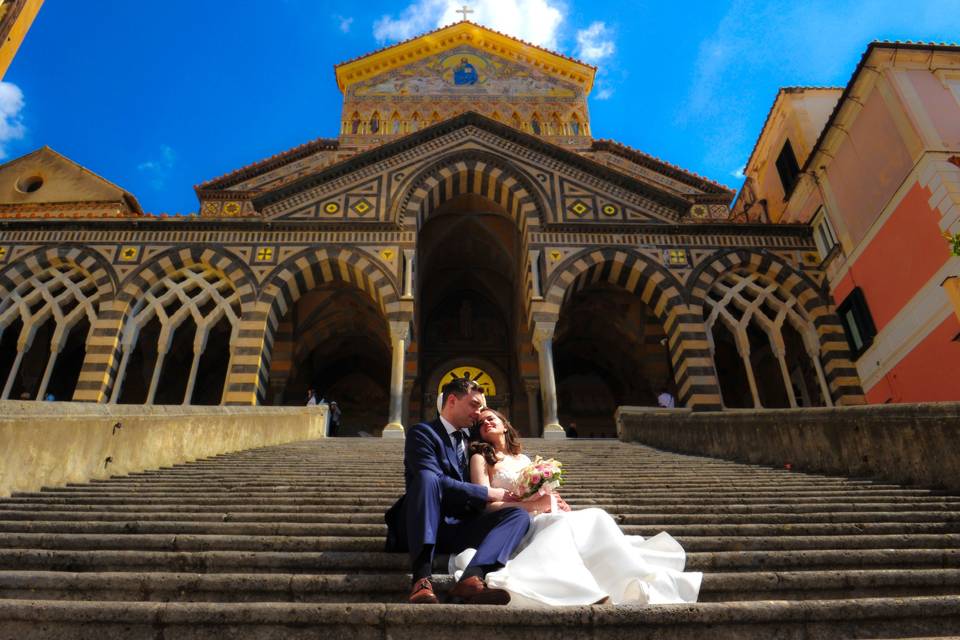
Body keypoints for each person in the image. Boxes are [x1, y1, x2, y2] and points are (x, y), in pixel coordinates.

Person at [451, 407, 702, 606]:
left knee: (595, 516)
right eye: (481, 423)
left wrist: (554, 499)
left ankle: (619, 582)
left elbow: (539, 492)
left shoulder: (524, 459)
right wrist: (534, 504)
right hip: (514, 522)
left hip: (541, 513)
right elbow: (487, 504)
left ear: (505, 424)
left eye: (491, 418)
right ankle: (580, 590)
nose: (486, 423)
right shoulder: (481, 457)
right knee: (560, 528)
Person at [384, 377, 531, 605]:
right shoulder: (423, 433)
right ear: (452, 400)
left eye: (482, 407)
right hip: (420, 522)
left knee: (517, 515)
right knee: (427, 478)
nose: (478, 413)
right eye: (474, 405)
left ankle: (471, 579)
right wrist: (489, 493)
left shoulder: (474, 439)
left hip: (459, 526)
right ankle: (422, 579)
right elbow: (438, 482)